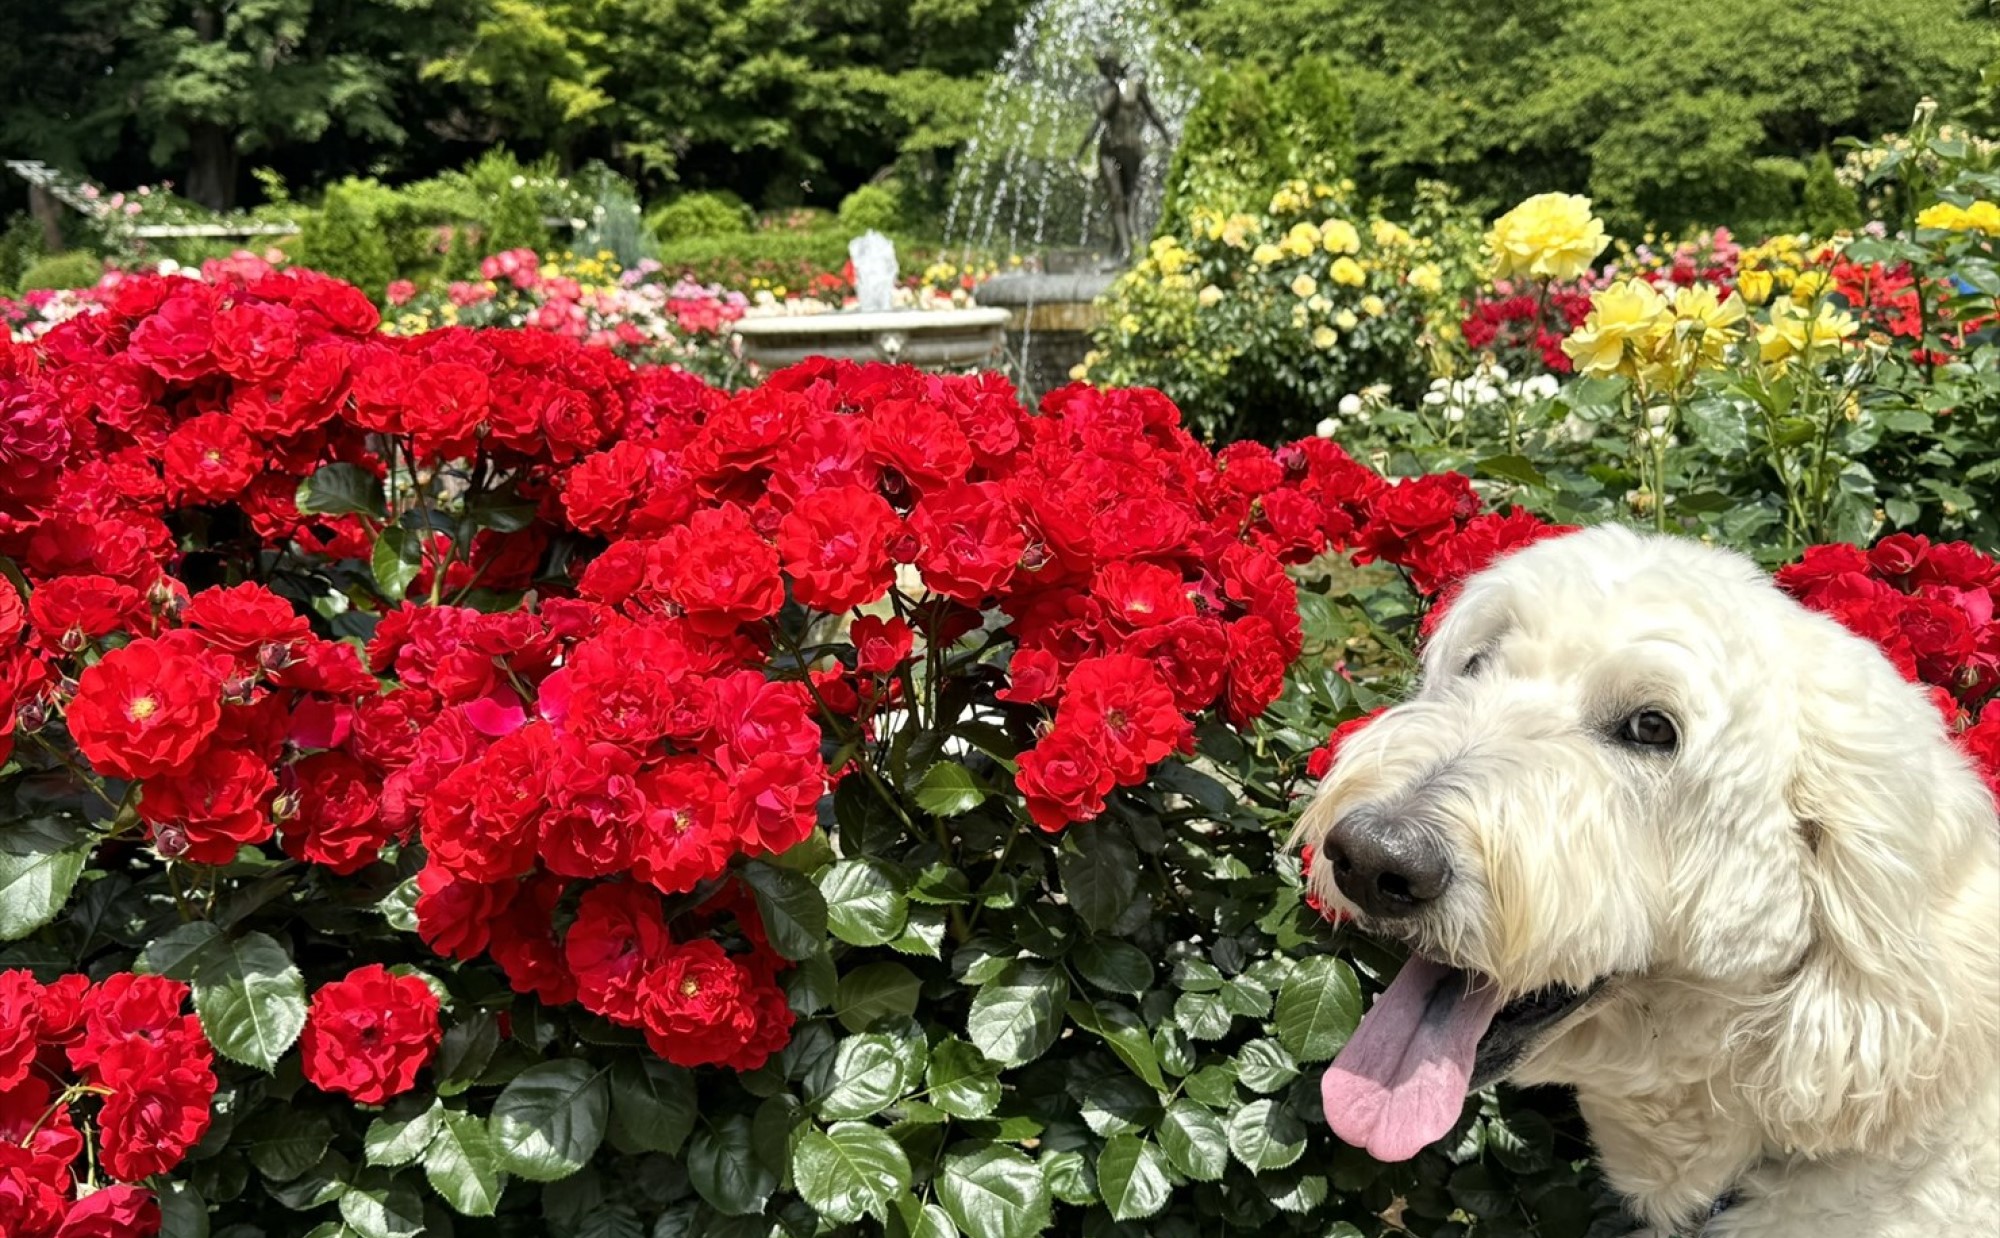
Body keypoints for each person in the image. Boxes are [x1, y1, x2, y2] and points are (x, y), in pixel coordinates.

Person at [1075, 50, 1171, 265]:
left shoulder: (1135, 87)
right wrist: (1081, 150)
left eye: (1108, 66)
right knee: (1116, 198)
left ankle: (1126, 246)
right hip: (1109, 150)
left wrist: (1167, 137)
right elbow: (1101, 117)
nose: (1106, 71)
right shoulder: (1102, 90)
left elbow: (1152, 113)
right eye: (1103, 69)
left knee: (1130, 200)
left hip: (1131, 150)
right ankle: (1127, 250)